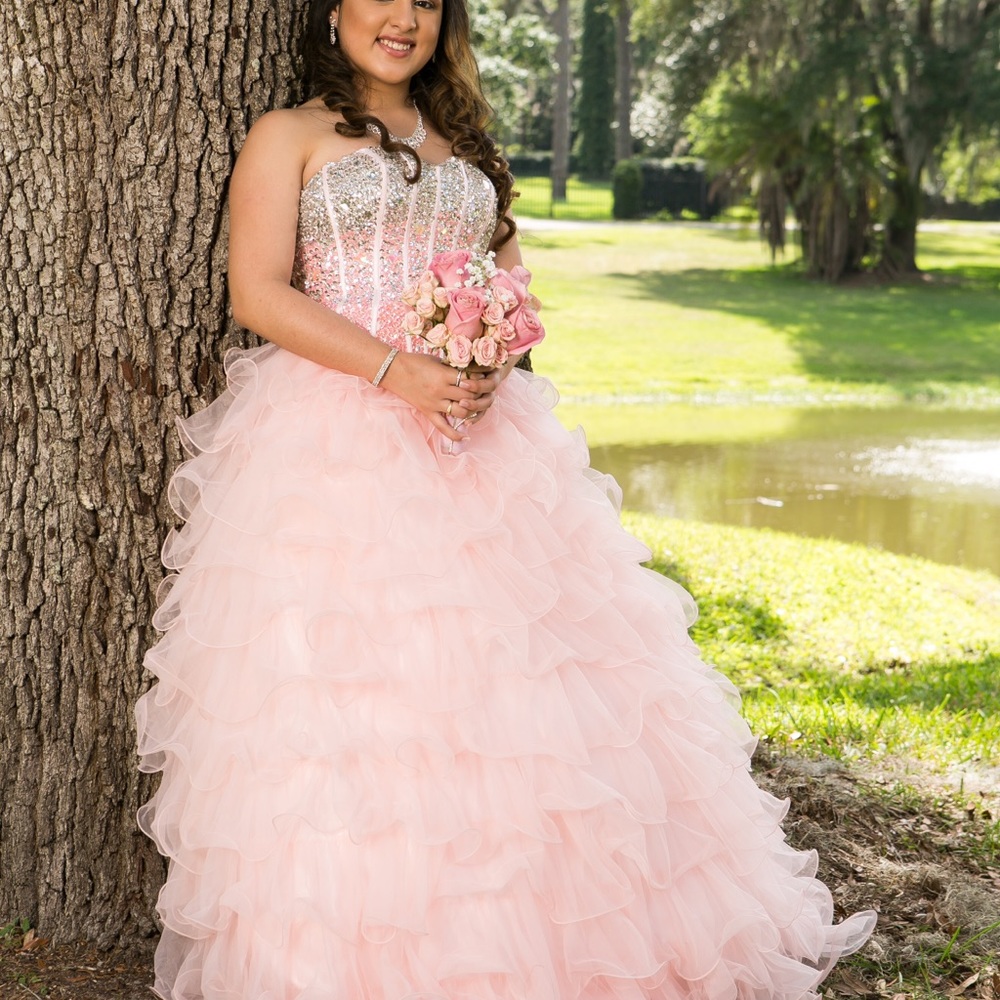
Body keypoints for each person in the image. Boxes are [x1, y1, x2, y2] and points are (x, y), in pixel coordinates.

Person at [135, 0, 877, 996]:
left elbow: (512, 289)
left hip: (482, 444)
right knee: (359, 704)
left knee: (520, 698)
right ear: (334, 7)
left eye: (428, 3)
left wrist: (491, 344)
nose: (404, 18)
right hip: (333, 445)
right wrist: (396, 367)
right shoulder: (290, 135)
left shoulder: (465, 147)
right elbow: (259, 293)